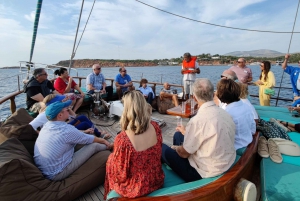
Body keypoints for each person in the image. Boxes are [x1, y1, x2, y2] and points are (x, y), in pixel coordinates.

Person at [161, 78, 236, 182]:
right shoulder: (226, 114)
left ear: (195, 98)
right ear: (213, 94)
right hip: (226, 162)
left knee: (161, 147)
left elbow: (184, 153)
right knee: (178, 135)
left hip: (204, 171)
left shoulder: (197, 121)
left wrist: (175, 148)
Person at [104, 91, 164, 198]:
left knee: (110, 160)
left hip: (137, 188)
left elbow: (120, 175)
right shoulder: (155, 127)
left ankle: (109, 196)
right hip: (156, 179)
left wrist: (112, 160)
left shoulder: (123, 139)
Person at [34, 101, 112, 181]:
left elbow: (68, 136)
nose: (69, 110)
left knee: (86, 137)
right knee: (94, 145)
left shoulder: (46, 126)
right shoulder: (66, 130)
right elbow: (91, 139)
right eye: (67, 110)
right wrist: (104, 141)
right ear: (60, 115)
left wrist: (84, 132)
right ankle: (111, 146)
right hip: (57, 173)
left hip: (47, 169)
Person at [29, 94, 111, 139]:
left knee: (82, 117)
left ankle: (98, 132)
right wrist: (41, 134)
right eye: (61, 101)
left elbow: (74, 117)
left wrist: (68, 109)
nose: (63, 101)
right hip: (58, 132)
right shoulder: (44, 115)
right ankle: (99, 134)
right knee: (85, 124)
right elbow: (30, 126)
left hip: (61, 127)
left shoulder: (59, 110)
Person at [217, 79, 256, 150]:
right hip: (248, 142)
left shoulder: (227, 113)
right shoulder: (246, 106)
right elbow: (253, 130)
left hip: (236, 147)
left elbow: (221, 137)